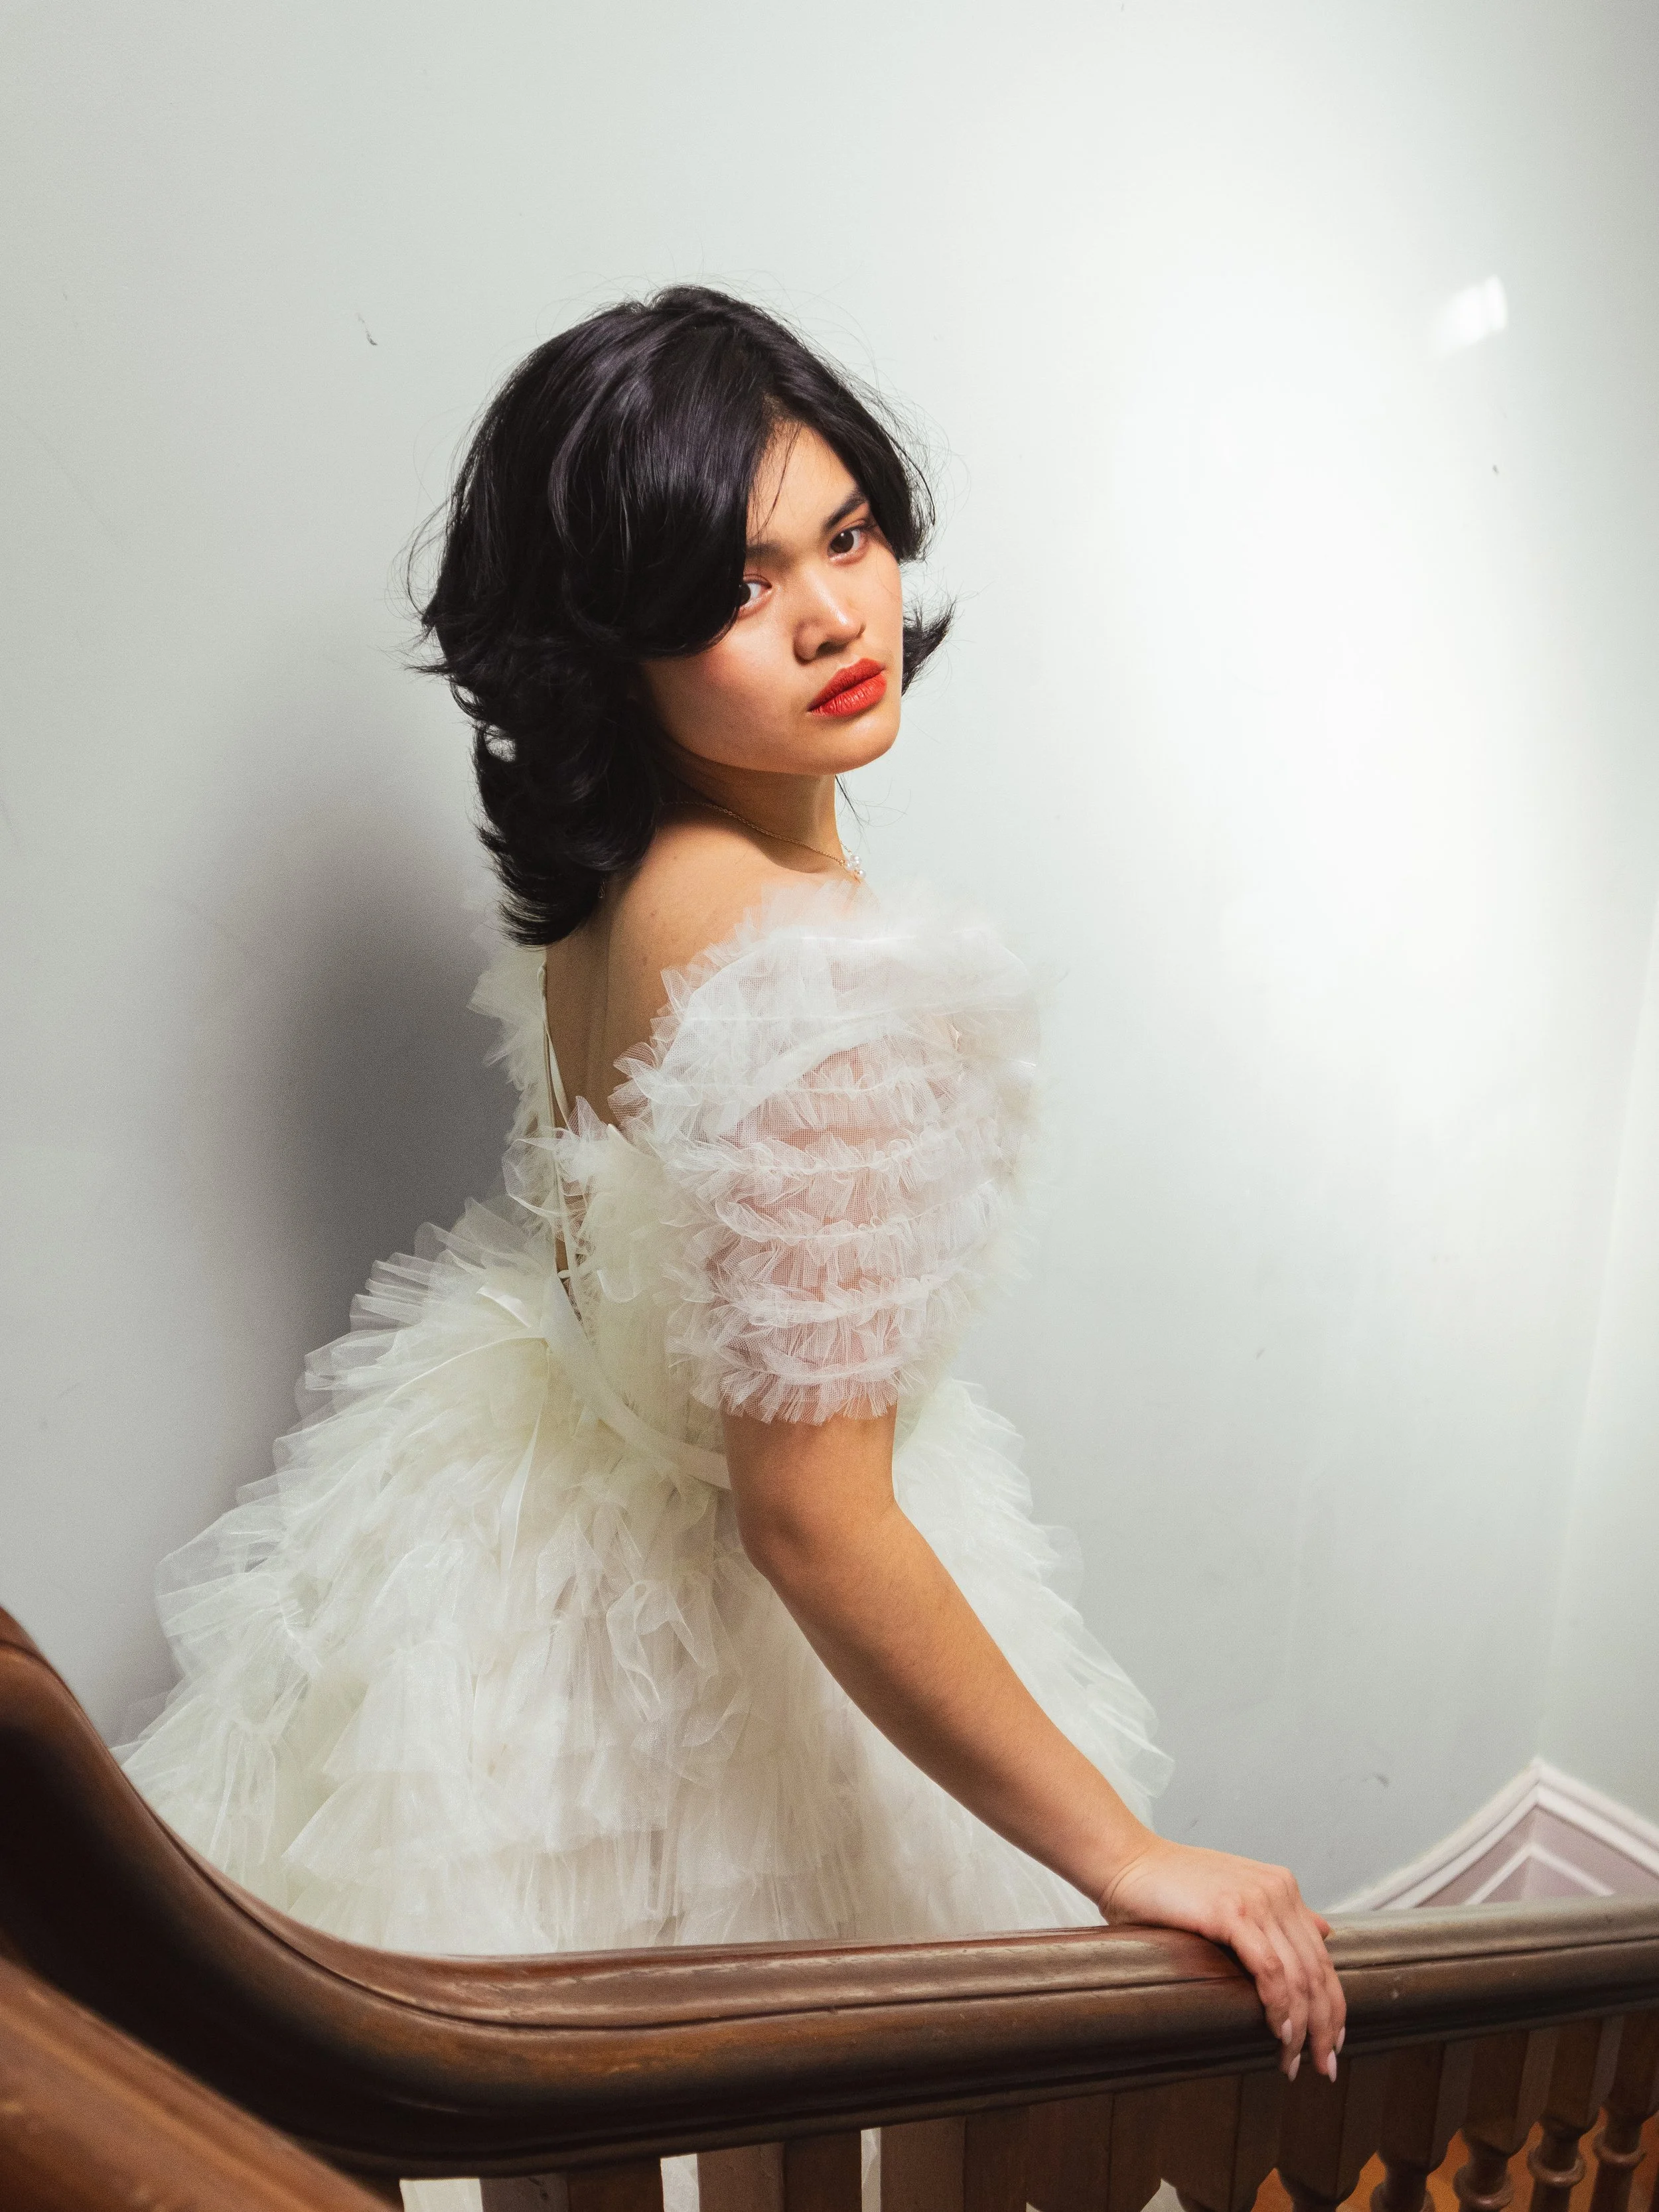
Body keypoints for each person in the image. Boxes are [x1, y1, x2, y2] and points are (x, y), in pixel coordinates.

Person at [118, 287, 1344, 2208]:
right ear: (608, 648)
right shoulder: (799, 960)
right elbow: (813, 1508)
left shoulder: (620, 901)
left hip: (542, 1540)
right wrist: (1122, 1853)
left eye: (845, 532)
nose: (833, 616)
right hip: (725, 1622)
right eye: (731, 581)